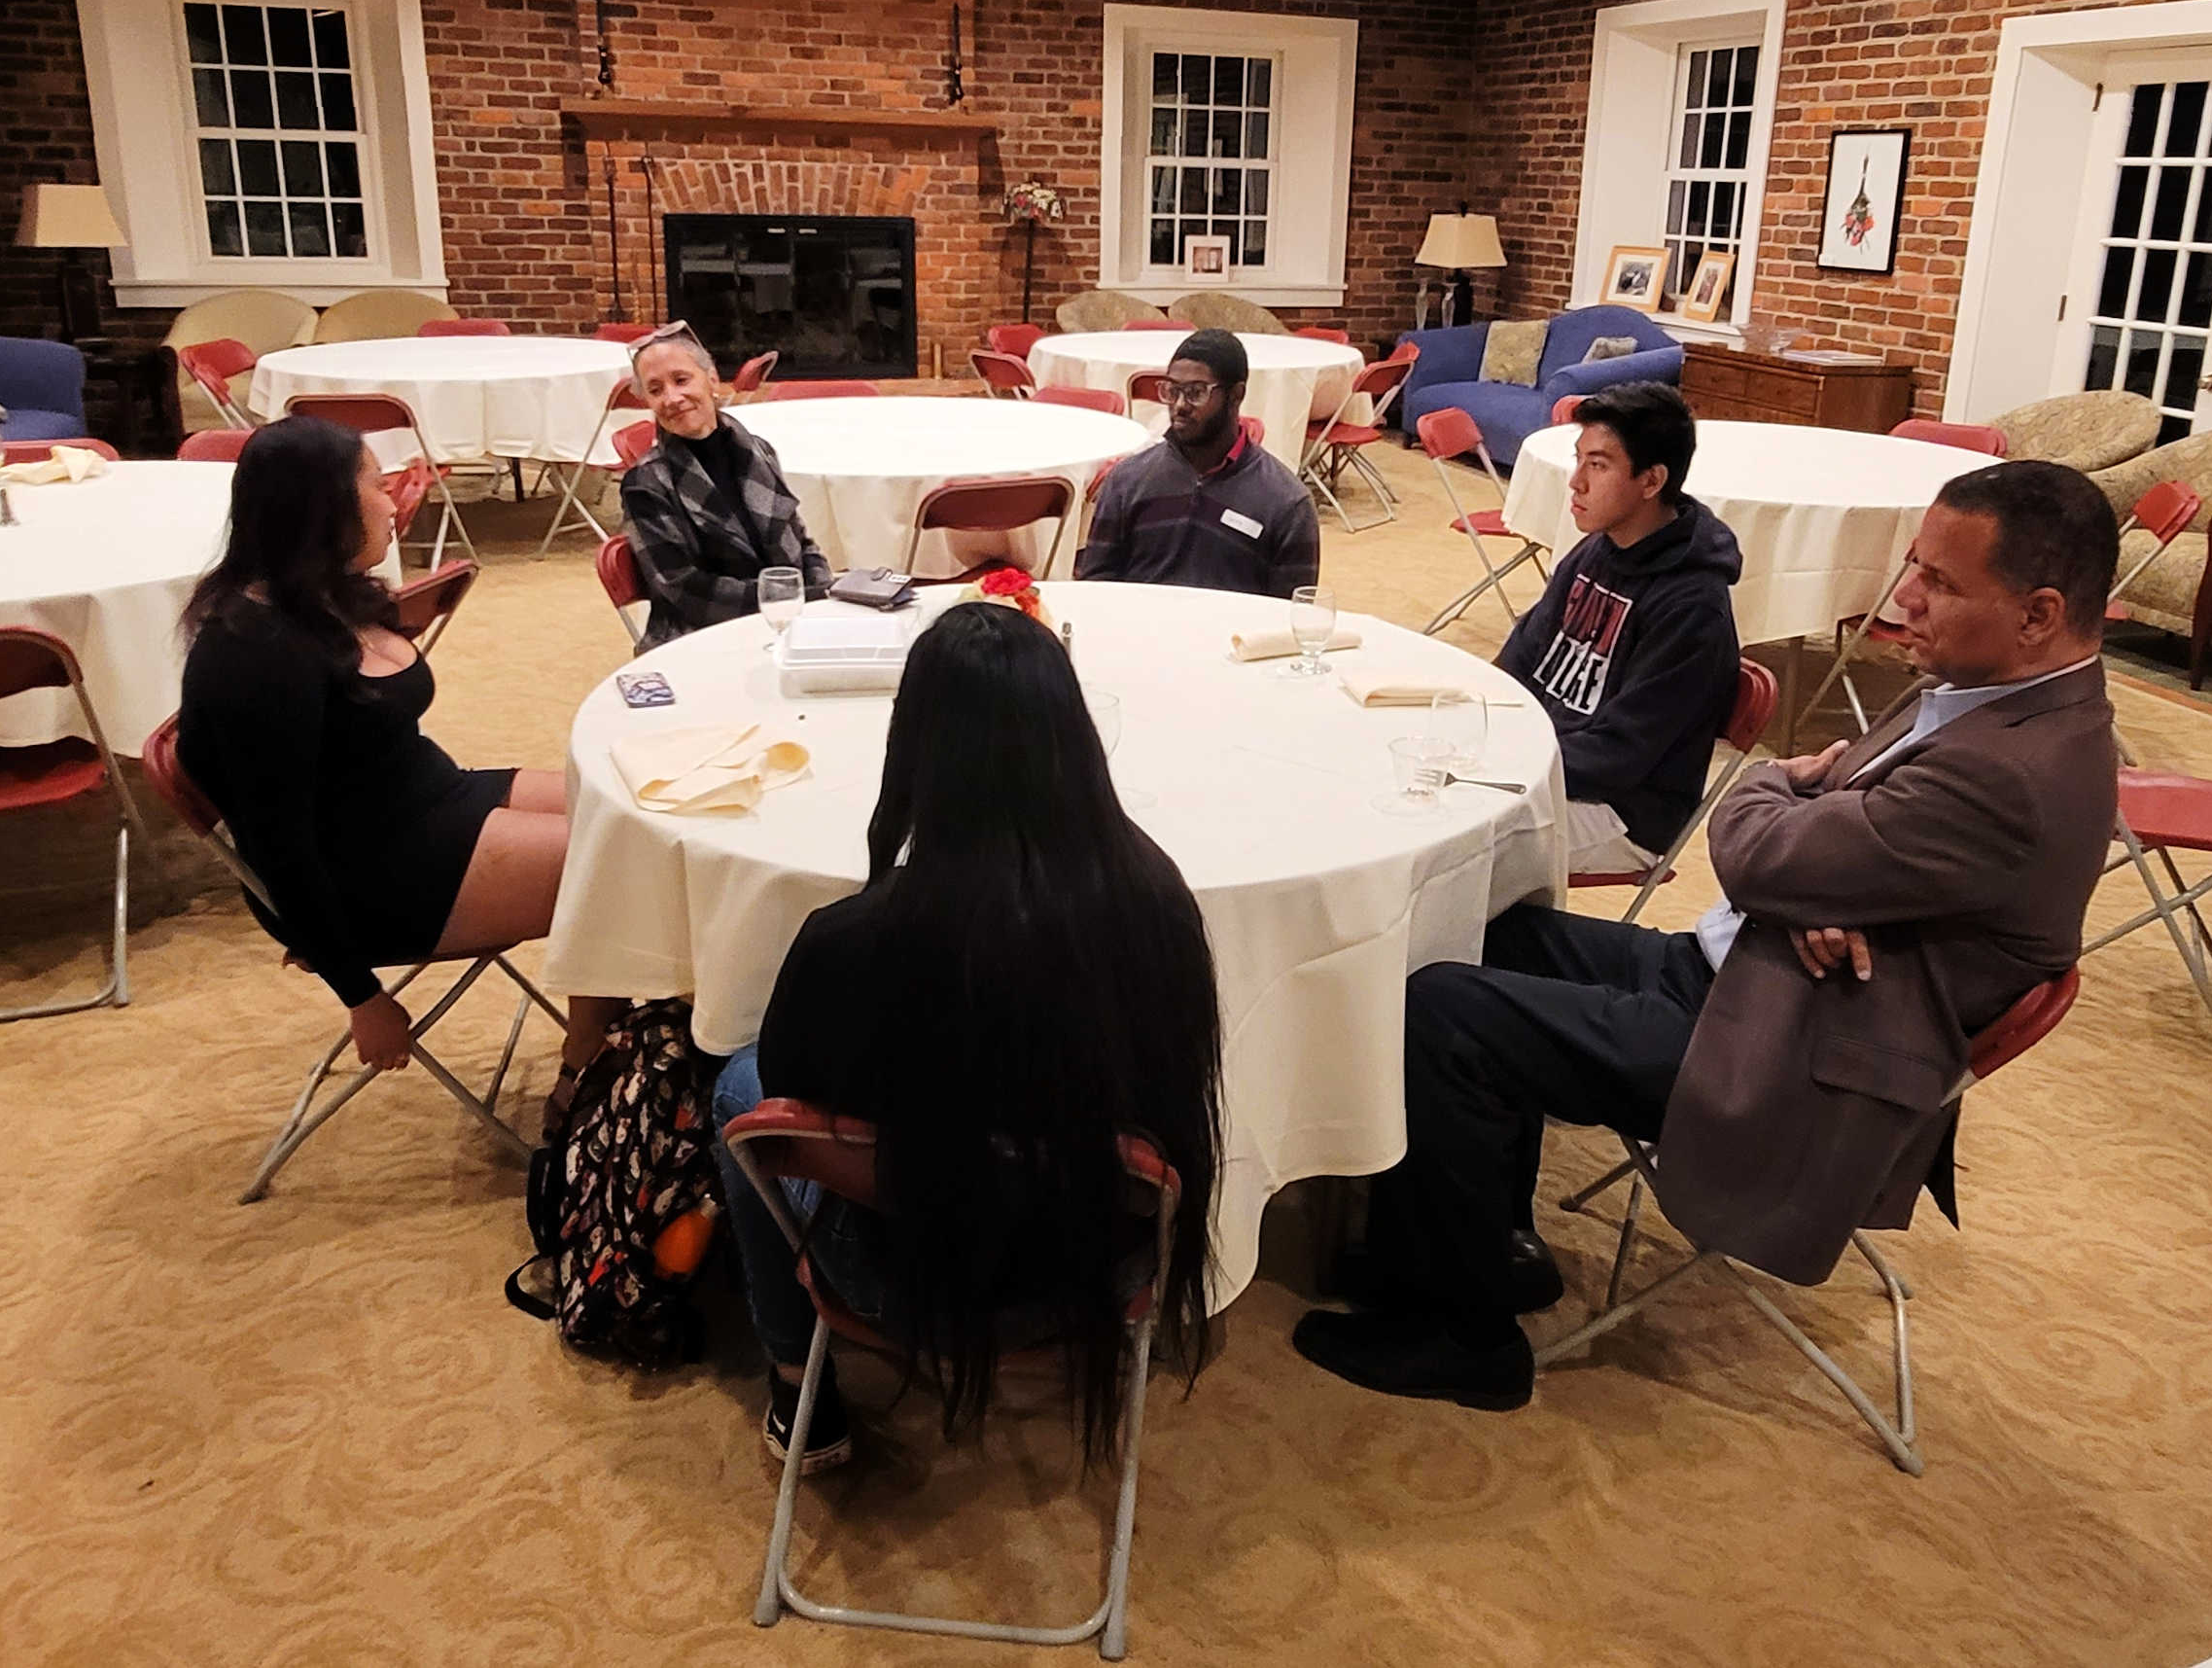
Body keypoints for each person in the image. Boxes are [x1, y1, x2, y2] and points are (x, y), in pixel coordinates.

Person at [1294, 459, 2124, 1410]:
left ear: (2038, 613)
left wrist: (1786, 811)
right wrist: (1813, 864)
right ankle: (1489, 1245)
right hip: (1754, 965)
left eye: (1940, 581)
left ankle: (1466, 1337)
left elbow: (1755, 828)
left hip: (1800, 1046)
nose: (1904, 596)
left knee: (1443, 1012)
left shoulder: (2014, 769)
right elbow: (1813, 824)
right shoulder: (1985, 689)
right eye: (1915, 566)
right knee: (1492, 933)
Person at [706, 601, 1224, 1473]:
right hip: (1099, 1274)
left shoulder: (848, 937)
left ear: (914, 747)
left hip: (894, 1282)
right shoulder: (1160, 903)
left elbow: (794, 1114)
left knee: (738, 1083)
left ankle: (799, 1379)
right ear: (1073, 736)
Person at [177, 414, 619, 1115]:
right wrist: (360, 993)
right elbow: (279, 848)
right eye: (376, 487)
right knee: (618, 862)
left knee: (624, 802)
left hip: (418, 802)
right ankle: (588, 1060)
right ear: (324, 510)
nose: (393, 501)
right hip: (367, 875)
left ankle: (624, 1023)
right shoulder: (254, 651)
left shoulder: (322, 596)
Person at [1492, 381, 1740, 876]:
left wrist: (1500, 764)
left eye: (1599, 465)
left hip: (1624, 811)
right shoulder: (1597, 548)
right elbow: (1519, 660)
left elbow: (1619, 756)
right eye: (1578, 459)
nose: (1576, 482)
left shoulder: (1693, 607)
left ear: (1651, 481)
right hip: (1547, 767)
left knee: (1453, 840)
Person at [616, 322, 830, 649]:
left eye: (681, 379)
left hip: (789, 619)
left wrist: (823, 593)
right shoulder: (645, 484)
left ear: (712, 379)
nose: (672, 398)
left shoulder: (759, 451)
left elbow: (800, 540)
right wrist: (790, 599)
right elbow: (685, 591)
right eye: (656, 389)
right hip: (698, 637)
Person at [1076, 328, 1320, 597]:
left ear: (1236, 395)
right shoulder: (1127, 480)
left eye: (1196, 392)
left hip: (1235, 637)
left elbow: (1291, 613)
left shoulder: (1286, 502)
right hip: (1141, 632)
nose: (1179, 405)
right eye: (1171, 390)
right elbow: (1096, 585)